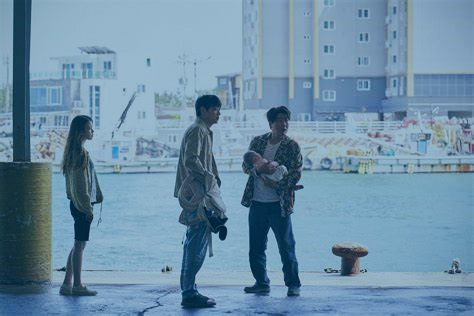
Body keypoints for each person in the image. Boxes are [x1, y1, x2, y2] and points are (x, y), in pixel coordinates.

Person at [241, 106, 303, 297]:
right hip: (257, 202)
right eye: (279, 120)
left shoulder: (292, 146)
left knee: (286, 246)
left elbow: (296, 174)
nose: (284, 124)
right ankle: (261, 282)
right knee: (256, 247)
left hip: (280, 204)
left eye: (286, 120)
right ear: (271, 123)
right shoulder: (258, 142)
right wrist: (258, 171)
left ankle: (293, 285)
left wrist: (276, 184)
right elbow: (245, 166)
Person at [174, 95, 224, 308]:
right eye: (215, 109)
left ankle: (190, 289)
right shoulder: (197, 130)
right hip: (196, 195)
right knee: (195, 243)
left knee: (195, 240)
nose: (218, 113)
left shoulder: (203, 131)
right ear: (203, 110)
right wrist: (209, 177)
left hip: (199, 193)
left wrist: (213, 177)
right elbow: (190, 160)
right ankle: (188, 293)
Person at [59, 115, 103, 296]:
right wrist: (87, 207)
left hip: (75, 204)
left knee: (78, 244)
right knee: (80, 245)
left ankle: (66, 284)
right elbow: (80, 184)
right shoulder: (80, 154)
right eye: (89, 128)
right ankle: (77, 285)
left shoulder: (72, 151)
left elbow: (72, 186)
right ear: (80, 132)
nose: (92, 131)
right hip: (81, 206)